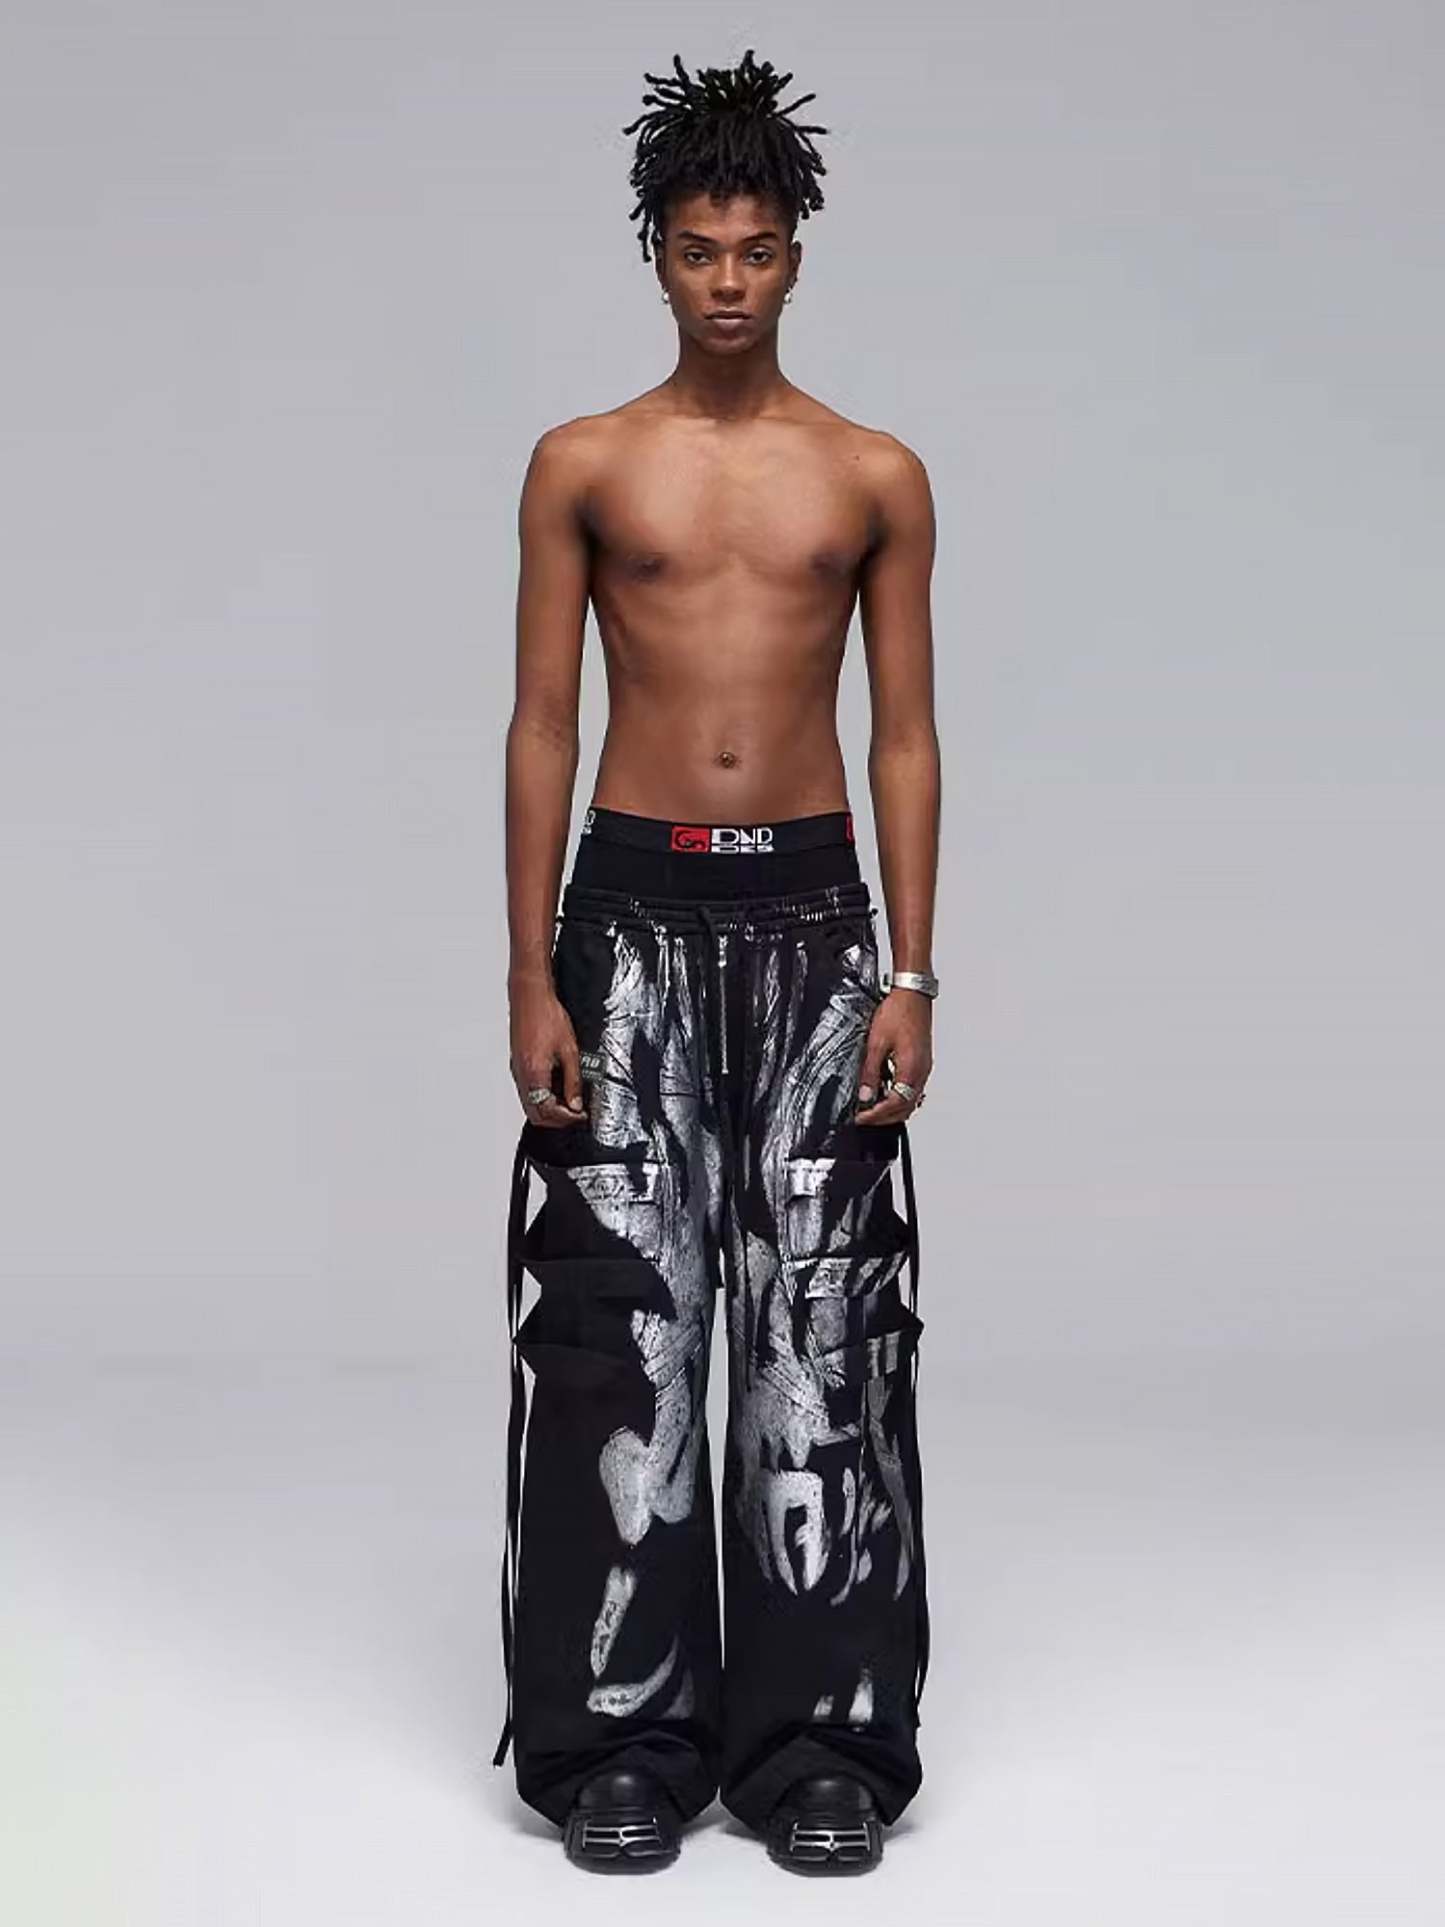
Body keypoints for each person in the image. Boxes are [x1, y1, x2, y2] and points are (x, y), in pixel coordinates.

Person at [492, 48, 940, 1876]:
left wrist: (912, 975)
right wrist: (529, 968)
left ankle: (821, 1745)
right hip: (630, 914)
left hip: (817, 922)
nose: (729, 280)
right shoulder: (585, 463)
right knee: (621, 1327)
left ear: (796, 258)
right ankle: (619, 1739)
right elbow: (540, 720)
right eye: (699, 250)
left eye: (756, 250)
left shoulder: (871, 472)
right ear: (656, 258)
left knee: (824, 1324)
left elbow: (904, 732)